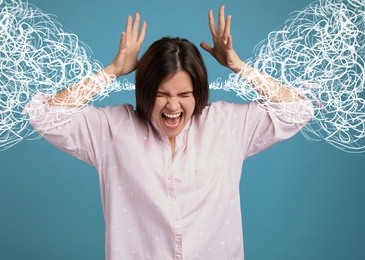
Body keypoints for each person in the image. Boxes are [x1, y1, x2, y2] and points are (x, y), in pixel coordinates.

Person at [25, 6, 313, 260]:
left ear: (198, 92)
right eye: (162, 94)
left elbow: (298, 110)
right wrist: (112, 71)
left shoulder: (226, 125)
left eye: (184, 94)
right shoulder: (113, 130)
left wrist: (238, 67)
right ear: (145, 92)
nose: (173, 106)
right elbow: (44, 116)